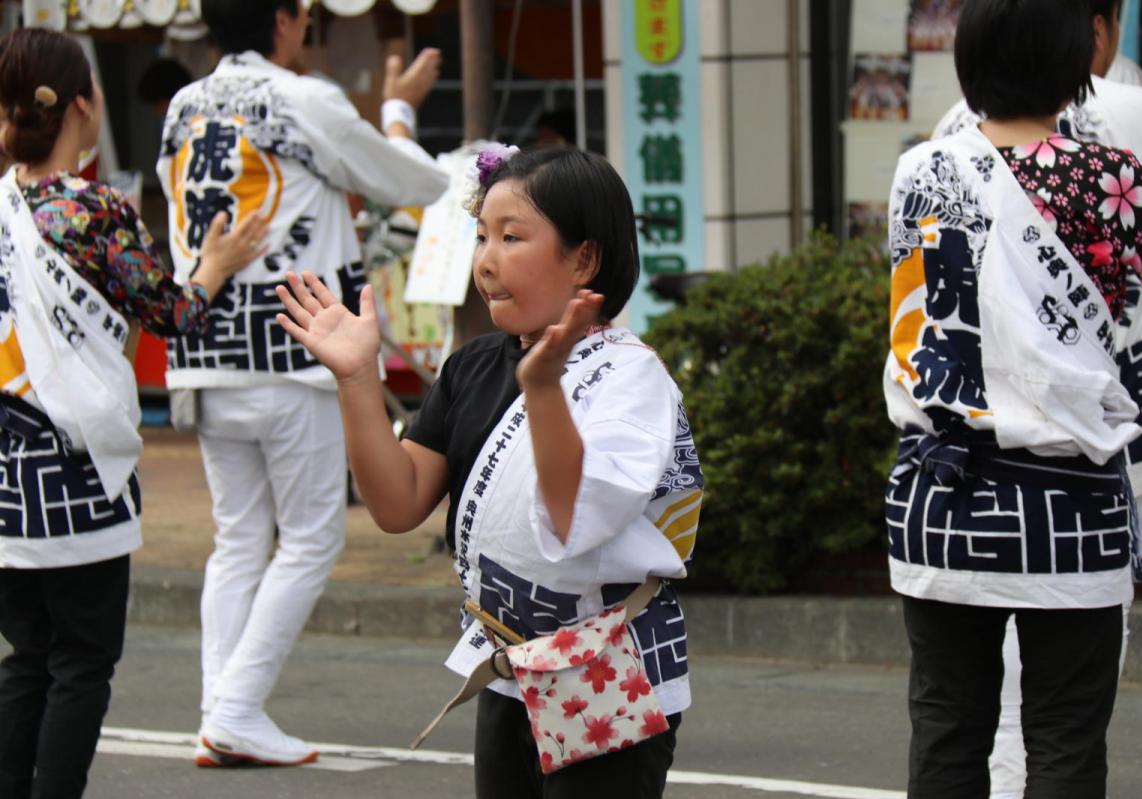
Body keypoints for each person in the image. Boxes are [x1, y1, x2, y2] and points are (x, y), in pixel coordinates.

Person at [276, 146, 702, 798]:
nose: (486, 259)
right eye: (482, 236)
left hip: (608, 664)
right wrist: (357, 377)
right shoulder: (474, 366)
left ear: (583, 258)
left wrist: (543, 391)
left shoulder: (628, 375)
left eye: (512, 236)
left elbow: (574, 515)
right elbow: (397, 502)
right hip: (511, 665)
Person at [883, 0, 1142, 796]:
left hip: (940, 495)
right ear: (1076, 66)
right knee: (1064, 736)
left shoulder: (921, 168)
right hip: (1070, 504)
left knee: (948, 730)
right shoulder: (1108, 178)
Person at [155, 0, 450, 767]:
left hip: (209, 342)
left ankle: (220, 709)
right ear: (285, 22)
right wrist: (395, 110)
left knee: (241, 537)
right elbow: (412, 179)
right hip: (295, 345)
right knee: (312, 535)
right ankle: (238, 708)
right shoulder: (304, 99)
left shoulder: (182, 109)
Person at [0, 28, 265, 799]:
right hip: (77, 472)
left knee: (27, 658)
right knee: (81, 660)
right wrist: (214, 266)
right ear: (85, 104)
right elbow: (173, 312)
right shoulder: (91, 211)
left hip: (7, 477)